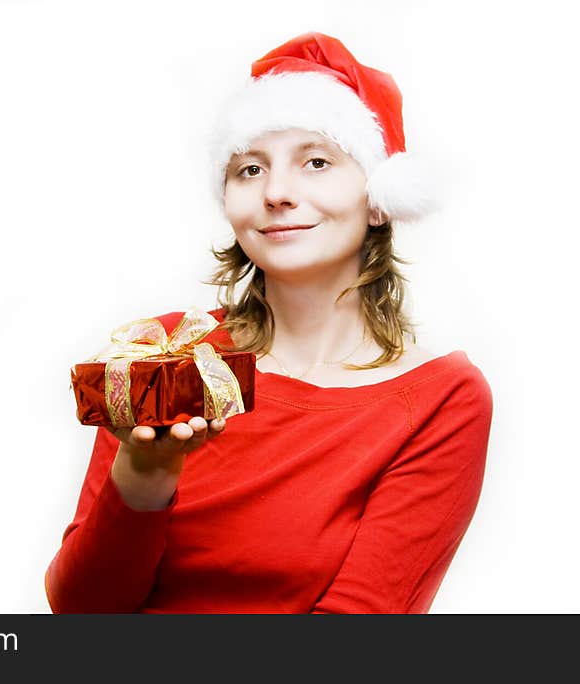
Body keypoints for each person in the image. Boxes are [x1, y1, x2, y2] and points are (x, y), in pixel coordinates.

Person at [45, 32, 493, 613]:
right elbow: (81, 612)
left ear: (379, 196)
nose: (277, 193)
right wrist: (144, 474)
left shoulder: (441, 399)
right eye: (250, 169)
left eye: (316, 162)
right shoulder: (166, 352)